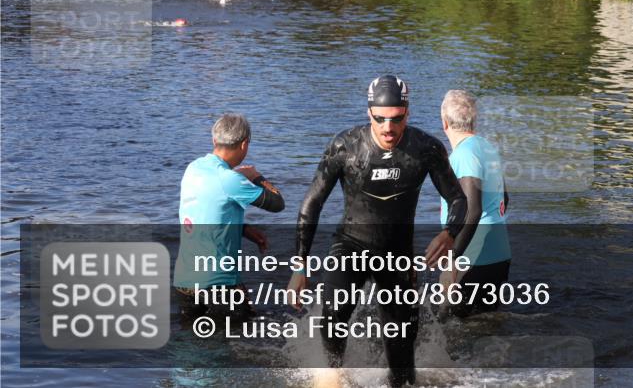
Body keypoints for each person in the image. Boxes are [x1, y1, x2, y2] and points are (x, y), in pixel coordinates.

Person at [288, 75, 480, 387]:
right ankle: (333, 377)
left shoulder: (426, 148)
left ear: (407, 113)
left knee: (402, 348)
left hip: (396, 253)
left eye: (396, 119)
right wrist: (300, 264)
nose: (388, 128)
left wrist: (449, 233)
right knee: (333, 315)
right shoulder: (345, 146)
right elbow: (311, 204)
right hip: (349, 244)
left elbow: (459, 199)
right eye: (380, 119)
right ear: (369, 114)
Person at [174, 113, 285, 321]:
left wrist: (245, 230)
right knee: (237, 339)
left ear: (214, 140)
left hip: (185, 281)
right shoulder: (231, 180)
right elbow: (277, 203)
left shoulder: (193, 169)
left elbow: (209, 209)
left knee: (191, 344)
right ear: (244, 145)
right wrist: (256, 176)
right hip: (218, 284)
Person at [438, 90, 511, 317]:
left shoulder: (463, 155)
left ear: (445, 123)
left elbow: (473, 210)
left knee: (447, 326)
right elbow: (504, 199)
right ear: (474, 121)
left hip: (474, 257)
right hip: (499, 253)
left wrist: (452, 261)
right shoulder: (487, 148)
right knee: (485, 325)